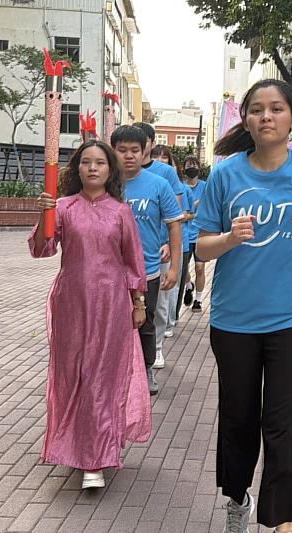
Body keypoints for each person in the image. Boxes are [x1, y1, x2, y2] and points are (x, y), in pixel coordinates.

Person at [194, 78, 292, 533]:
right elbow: (201, 248)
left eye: (277, 108)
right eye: (257, 109)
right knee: (239, 418)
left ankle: (281, 518)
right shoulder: (225, 175)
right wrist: (229, 239)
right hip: (234, 320)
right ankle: (237, 498)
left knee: (283, 423)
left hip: (291, 318)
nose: (266, 116)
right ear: (245, 120)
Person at [30, 140, 151, 489]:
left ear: (110, 170)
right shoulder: (63, 207)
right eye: (86, 162)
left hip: (112, 305)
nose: (93, 168)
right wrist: (43, 215)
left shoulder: (121, 212)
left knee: (102, 376)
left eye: (100, 162)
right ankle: (75, 445)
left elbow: (133, 261)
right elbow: (42, 249)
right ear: (77, 169)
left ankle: (95, 458)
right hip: (72, 303)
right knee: (74, 375)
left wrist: (138, 302)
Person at [111, 126, 183, 394]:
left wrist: (174, 268)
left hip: (147, 270)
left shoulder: (159, 185)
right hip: (109, 271)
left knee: (144, 321)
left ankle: (146, 368)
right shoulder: (106, 184)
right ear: (113, 151)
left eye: (135, 150)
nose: (129, 156)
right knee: (110, 323)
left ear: (145, 152)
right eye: (122, 150)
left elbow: (174, 225)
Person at [152, 144, 192, 336]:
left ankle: (169, 322)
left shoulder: (179, 187)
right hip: (152, 244)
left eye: (164, 157)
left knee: (169, 285)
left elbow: (183, 214)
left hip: (175, 242)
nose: (160, 160)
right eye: (156, 156)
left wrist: (169, 240)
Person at [179, 155, 208, 313]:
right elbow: (182, 214)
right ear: (183, 169)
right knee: (183, 270)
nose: (192, 168)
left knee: (200, 268)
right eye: (189, 165)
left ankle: (198, 299)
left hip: (200, 235)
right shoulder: (181, 188)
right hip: (184, 235)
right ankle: (188, 285)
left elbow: (209, 207)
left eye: (195, 165)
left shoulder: (205, 186)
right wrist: (195, 208)